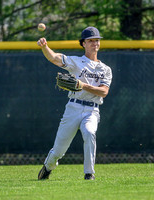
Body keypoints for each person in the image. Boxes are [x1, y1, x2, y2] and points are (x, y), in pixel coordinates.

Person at [37, 26, 112, 180]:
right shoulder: (76, 62)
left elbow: (104, 92)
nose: (95, 43)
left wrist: (83, 85)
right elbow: (54, 58)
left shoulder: (105, 69)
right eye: (91, 40)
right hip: (73, 107)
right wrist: (45, 47)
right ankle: (48, 167)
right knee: (59, 151)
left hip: (92, 110)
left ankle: (89, 173)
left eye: (97, 40)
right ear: (83, 43)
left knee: (89, 132)